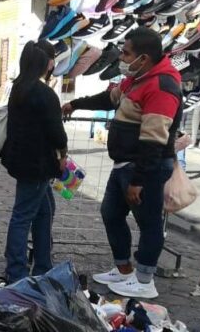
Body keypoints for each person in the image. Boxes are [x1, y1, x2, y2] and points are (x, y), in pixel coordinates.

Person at [62, 27, 181, 299]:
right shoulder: (136, 79)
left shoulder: (161, 86)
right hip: (123, 165)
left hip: (145, 167)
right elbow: (109, 97)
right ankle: (123, 268)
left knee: (149, 222)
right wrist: (76, 104)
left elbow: (154, 139)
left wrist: (139, 180)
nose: (122, 59)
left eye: (127, 54)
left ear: (145, 57)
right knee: (111, 213)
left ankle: (144, 279)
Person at [0, 41, 68, 284]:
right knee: (23, 215)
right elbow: (57, 133)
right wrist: (63, 154)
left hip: (21, 160)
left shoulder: (19, 88)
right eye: (52, 60)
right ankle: (16, 271)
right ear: (44, 63)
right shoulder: (44, 93)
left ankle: (42, 264)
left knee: (44, 211)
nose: (53, 64)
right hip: (38, 164)